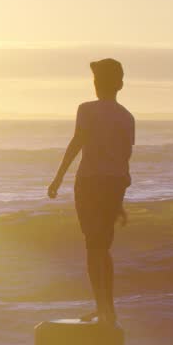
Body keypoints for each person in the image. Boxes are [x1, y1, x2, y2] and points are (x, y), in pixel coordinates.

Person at [47, 58, 134, 326]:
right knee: (102, 248)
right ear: (119, 85)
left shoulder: (85, 110)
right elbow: (124, 159)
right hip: (113, 184)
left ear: (100, 84)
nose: (95, 85)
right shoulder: (127, 117)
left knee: (93, 248)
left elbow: (76, 144)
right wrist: (119, 198)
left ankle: (103, 308)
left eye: (96, 81)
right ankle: (107, 308)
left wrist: (58, 178)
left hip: (89, 184)